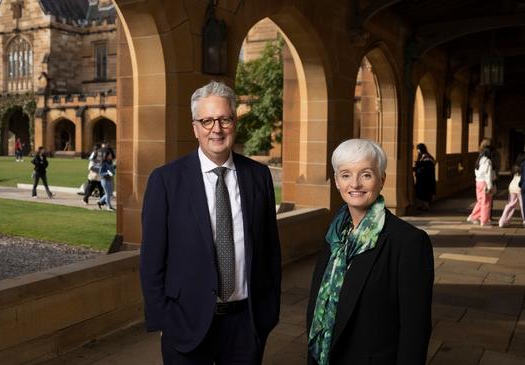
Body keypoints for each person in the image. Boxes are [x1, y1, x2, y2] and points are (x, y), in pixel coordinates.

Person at [140, 81, 281, 364]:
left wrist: (267, 314)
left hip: (246, 324)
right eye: (207, 120)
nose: (216, 129)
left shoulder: (259, 177)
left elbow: (270, 251)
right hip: (186, 323)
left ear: (234, 123)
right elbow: (152, 260)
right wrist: (165, 321)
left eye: (224, 119)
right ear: (195, 127)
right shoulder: (166, 181)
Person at [306, 138, 433, 365]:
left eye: (366, 174)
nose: (355, 184)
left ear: (381, 179)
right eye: (345, 175)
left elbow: (415, 331)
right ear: (336, 181)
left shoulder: (409, 242)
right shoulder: (334, 234)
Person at [467, 147, 494, 226]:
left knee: (480, 201)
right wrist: (490, 186)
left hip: (478, 182)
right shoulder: (488, 161)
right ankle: (484, 220)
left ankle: (473, 216)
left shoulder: (479, 160)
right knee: (486, 202)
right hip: (484, 183)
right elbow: (488, 175)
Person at [499, 159, 525, 228]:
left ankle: (503, 221)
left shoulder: (515, 167)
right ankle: (524, 220)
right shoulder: (523, 166)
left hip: (512, 186)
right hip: (519, 187)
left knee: (510, 204)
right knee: (523, 205)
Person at [413, 143, 436, 211]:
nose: (418, 151)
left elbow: (426, 167)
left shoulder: (427, 158)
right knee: (422, 192)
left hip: (426, 179)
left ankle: (426, 206)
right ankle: (423, 205)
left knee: (425, 192)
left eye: (419, 149)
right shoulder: (423, 157)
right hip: (422, 178)